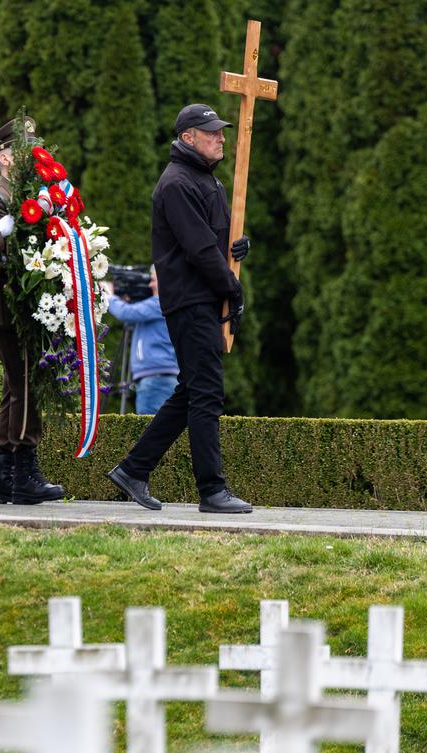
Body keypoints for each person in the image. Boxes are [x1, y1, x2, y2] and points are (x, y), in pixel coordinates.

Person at [106, 103, 253, 513]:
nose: (221, 137)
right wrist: (233, 289)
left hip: (200, 298)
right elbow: (201, 251)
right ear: (188, 137)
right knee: (206, 393)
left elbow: (215, 242)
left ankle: (133, 469)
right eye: (211, 132)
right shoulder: (177, 183)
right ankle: (212, 491)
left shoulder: (206, 181)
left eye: (221, 131)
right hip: (190, 301)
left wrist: (238, 248)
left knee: (192, 391)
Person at [0, 117, 64, 504]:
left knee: (21, 384)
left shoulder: (42, 193)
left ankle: (5, 468)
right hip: (11, 300)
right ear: (5, 158)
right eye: (25, 150)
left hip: (33, 300)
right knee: (27, 380)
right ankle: (22, 466)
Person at [104, 267, 178, 414]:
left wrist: (109, 296)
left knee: (149, 429)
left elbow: (126, 313)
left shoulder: (161, 303)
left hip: (156, 379)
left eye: (154, 281)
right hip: (159, 377)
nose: (150, 285)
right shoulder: (162, 304)